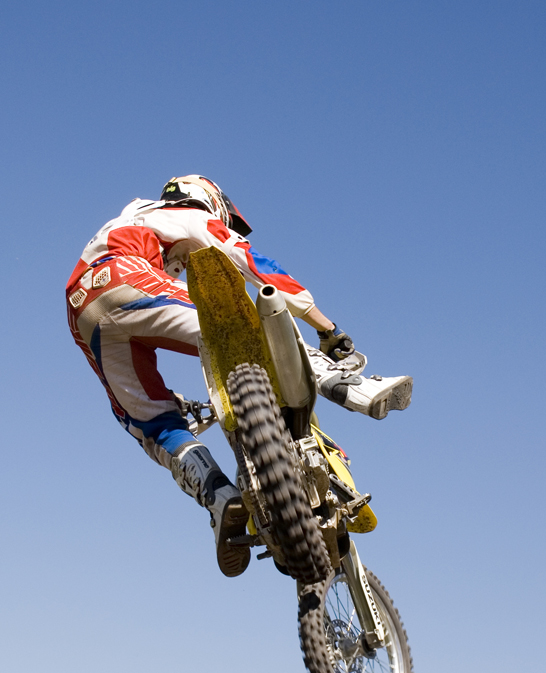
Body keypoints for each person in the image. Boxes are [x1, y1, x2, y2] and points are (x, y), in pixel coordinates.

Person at [66, 175, 412, 578]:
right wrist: (328, 328)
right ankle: (347, 384)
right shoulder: (182, 215)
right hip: (128, 276)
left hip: (81, 310)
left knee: (153, 424)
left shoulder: (124, 223)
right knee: (243, 322)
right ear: (208, 200)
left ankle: (219, 498)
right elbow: (248, 261)